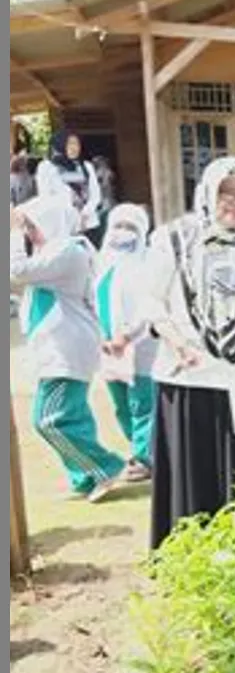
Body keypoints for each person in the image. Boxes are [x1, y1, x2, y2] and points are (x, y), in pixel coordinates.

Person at [144, 157, 235, 551]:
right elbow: (148, 299)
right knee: (197, 472)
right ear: (208, 191)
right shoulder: (174, 238)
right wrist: (173, 338)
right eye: (227, 191)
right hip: (191, 378)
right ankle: (193, 559)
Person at [10, 194, 126, 502]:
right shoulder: (58, 251)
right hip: (62, 348)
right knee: (73, 416)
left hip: (66, 350)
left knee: (49, 419)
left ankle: (105, 466)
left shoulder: (67, 252)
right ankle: (84, 476)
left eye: (33, 226)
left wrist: (11, 232)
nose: (29, 233)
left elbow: (17, 271)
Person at [94, 203, 160, 483]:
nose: (123, 233)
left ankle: (146, 457)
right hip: (108, 347)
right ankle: (141, 451)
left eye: (130, 227)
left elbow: (150, 307)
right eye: (118, 226)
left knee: (142, 403)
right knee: (121, 405)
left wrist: (127, 335)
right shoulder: (100, 264)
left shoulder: (148, 263)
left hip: (140, 346)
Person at [36, 129, 103, 239]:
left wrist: (85, 213)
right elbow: (45, 197)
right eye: (70, 143)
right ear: (59, 145)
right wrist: (72, 215)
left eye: (77, 143)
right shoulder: (46, 167)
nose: (74, 147)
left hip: (88, 224)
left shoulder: (86, 166)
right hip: (63, 226)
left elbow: (96, 194)